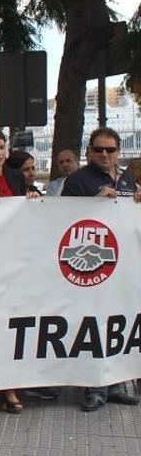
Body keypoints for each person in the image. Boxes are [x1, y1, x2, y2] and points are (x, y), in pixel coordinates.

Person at [61, 127, 141, 411]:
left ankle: (116, 383)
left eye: (110, 150)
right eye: (99, 149)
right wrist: (93, 204)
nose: (105, 155)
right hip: (90, 265)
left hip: (122, 265)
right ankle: (93, 388)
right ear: (89, 151)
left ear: (119, 152)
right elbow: (61, 220)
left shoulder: (127, 178)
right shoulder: (77, 181)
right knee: (93, 325)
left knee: (118, 323)